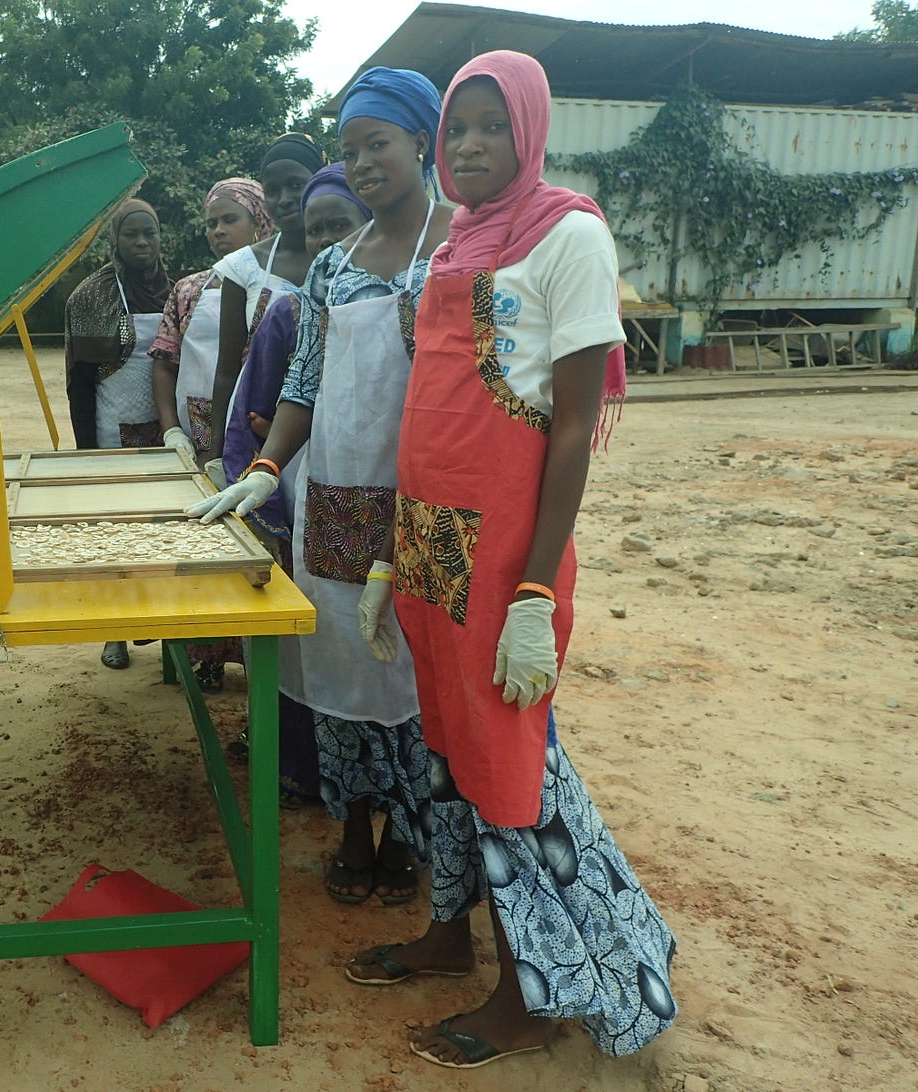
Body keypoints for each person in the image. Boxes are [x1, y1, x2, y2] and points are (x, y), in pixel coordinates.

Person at [347, 51, 677, 1070]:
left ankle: (529, 993)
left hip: (502, 558)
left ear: (528, 131)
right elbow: (428, 409)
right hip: (428, 546)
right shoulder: (454, 244)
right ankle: (451, 936)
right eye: (459, 130)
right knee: (441, 754)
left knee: (502, 772)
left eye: (493, 126)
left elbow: (570, 429)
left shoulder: (568, 234)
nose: (472, 145)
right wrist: (387, 558)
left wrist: (535, 590)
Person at [189, 68, 453, 905]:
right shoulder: (334, 267)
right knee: (340, 666)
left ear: (422, 140)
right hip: (333, 499)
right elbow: (303, 381)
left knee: (413, 676)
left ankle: (408, 841)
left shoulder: (459, 248)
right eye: (351, 149)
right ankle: (350, 828)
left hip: (424, 504)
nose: (365, 162)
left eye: (378, 143)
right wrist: (268, 468)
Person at [218, 163, 372, 804]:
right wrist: (262, 486)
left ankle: (393, 809)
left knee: (388, 652)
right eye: (317, 233)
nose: (331, 244)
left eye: (342, 225)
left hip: (401, 494)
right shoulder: (290, 313)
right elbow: (257, 409)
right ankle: (317, 778)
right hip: (312, 495)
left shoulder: (419, 297)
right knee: (322, 641)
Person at [149, 178, 272, 690]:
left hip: (262, 437)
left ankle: (260, 656)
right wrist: (173, 430)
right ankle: (206, 655)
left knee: (258, 544)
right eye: (212, 223)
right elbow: (163, 362)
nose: (219, 232)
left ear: (260, 222)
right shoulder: (189, 289)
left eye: (231, 220)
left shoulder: (281, 280)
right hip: (201, 438)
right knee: (202, 546)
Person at [64, 197, 171, 671]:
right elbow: (79, 383)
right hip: (112, 429)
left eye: (150, 233)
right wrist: (87, 451)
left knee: (167, 532)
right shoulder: (90, 296)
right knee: (116, 532)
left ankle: (171, 627)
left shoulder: (180, 290)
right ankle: (115, 632)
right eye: (132, 234)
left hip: (169, 428)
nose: (143, 243)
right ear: (115, 241)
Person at [205, 133, 326, 485]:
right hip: (255, 436)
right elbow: (227, 370)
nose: (285, 198)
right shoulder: (241, 268)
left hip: (331, 430)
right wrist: (216, 452)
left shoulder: (350, 258)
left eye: (296, 185)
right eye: (272, 189)